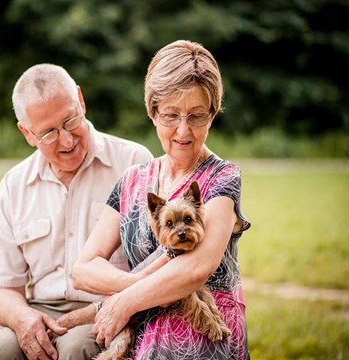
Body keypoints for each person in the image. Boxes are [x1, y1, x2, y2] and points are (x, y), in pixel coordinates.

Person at [72, 40, 251, 359]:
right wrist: (139, 282)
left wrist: (125, 301)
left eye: (196, 116)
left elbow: (195, 270)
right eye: (171, 115)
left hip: (203, 340)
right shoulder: (131, 181)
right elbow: (84, 269)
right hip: (134, 339)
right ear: (152, 113)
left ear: (212, 115)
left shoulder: (222, 179)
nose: (183, 131)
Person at [0, 64, 153, 360]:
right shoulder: (14, 186)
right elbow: (0, 291)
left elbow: (159, 264)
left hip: (110, 307)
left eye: (71, 120)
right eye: (48, 133)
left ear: (81, 101)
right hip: (41, 312)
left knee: (75, 349)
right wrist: (23, 319)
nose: (67, 140)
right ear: (27, 133)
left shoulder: (133, 162)